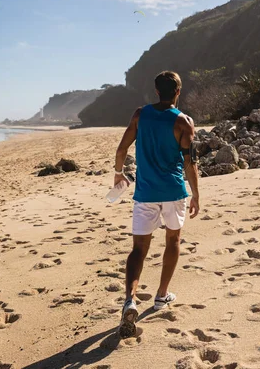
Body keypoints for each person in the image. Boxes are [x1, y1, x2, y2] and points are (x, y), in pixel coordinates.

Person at [113, 71, 200, 338]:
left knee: (138, 249)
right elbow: (190, 162)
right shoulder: (184, 122)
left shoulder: (140, 115)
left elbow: (121, 150)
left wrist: (118, 174)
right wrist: (196, 193)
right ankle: (161, 295)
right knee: (173, 241)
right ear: (178, 92)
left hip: (146, 193)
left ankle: (130, 299)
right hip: (174, 192)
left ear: (156, 91)